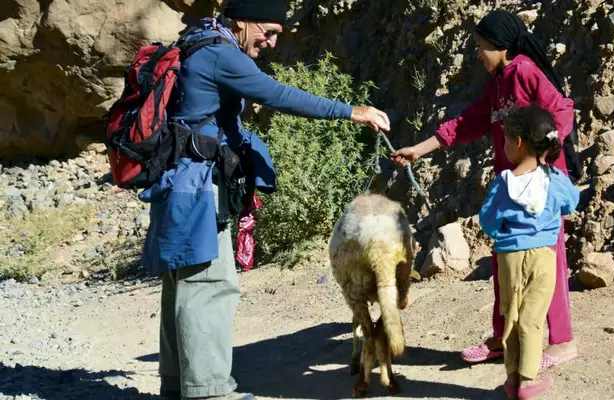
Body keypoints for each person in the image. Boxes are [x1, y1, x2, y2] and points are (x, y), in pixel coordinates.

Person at [139, 1, 392, 399]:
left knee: (183, 284)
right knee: (210, 285)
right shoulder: (221, 54)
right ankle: (209, 391)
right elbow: (276, 94)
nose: (271, 42)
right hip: (200, 186)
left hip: (178, 181)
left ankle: (177, 386)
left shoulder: (195, 40)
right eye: (268, 31)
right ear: (241, 20)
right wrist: (350, 111)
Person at [390, 9, 579, 370]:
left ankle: (563, 342)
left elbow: (562, 111)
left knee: (547, 262)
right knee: (505, 263)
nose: (477, 54)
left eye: (481, 47)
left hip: (538, 189)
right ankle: (502, 337)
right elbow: (467, 122)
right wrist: (419, 149)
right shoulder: (497, 83)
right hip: (511, 187)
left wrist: (542, 162)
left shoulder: (524, 71)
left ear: (501, 46)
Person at [478, 104, 579, 399]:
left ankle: (511, 379)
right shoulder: (554, 179)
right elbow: (571, 202)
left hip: (509, 258)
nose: (504, 144)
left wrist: (503, 234)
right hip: (543, 258)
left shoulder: (502, 184)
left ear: (518, 142)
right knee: (532, 318)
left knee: (511, 315)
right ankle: (528, 380)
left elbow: (487, 221)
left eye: (506, 138)